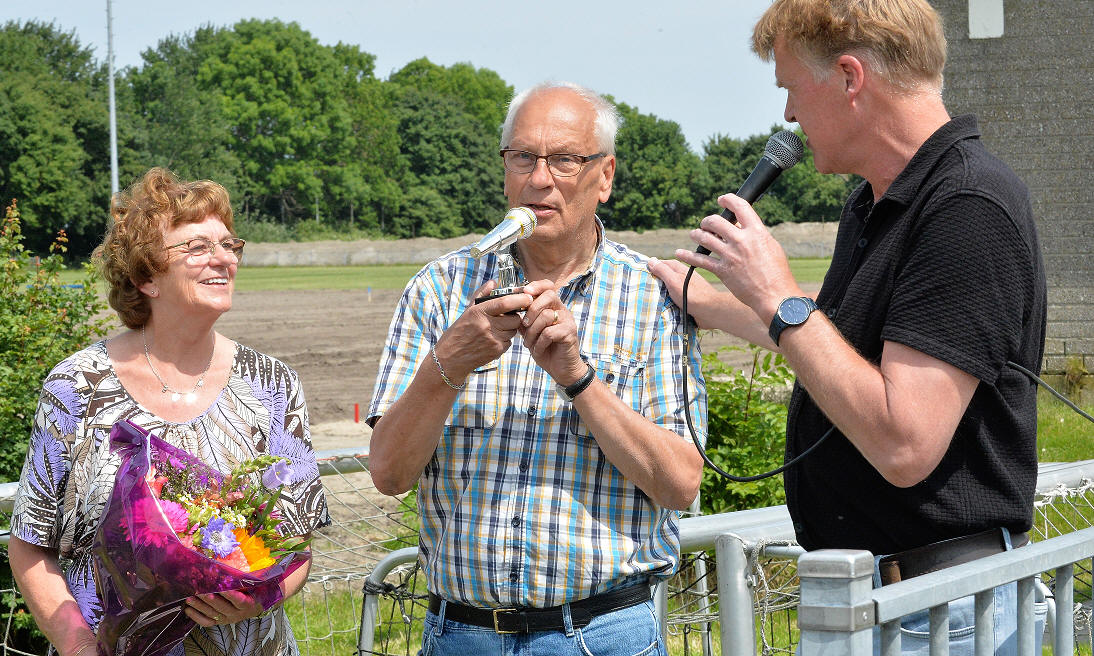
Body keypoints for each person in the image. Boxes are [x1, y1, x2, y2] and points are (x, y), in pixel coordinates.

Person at [648, 0, 1047, 653]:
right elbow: (839, 334)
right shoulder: (877, 201)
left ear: (850, 77)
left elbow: (904, 445)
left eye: (790, 90)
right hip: (879, 599)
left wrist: (777, 295)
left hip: (940, 612)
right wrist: (710, 304)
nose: (787, 117)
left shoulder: (968, 206)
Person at [366, 81, 707, 656]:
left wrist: (577, 376)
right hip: (461, 634)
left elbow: (680, 483)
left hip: (604, 633)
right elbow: (389, 474)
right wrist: (448, 362)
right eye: (522, 156)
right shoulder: (441, 287)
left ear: (605, 177)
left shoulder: (652, 296)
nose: (539, 178)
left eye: (565, 160)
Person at [9, 168, 331, 656]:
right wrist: (79, 649)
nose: (223, 259)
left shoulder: (271, 384)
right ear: (145, 277)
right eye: (197, 247)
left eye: (228, 245)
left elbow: (297, 543)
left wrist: (260, 597)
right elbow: (30, 544)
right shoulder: (77, 386)